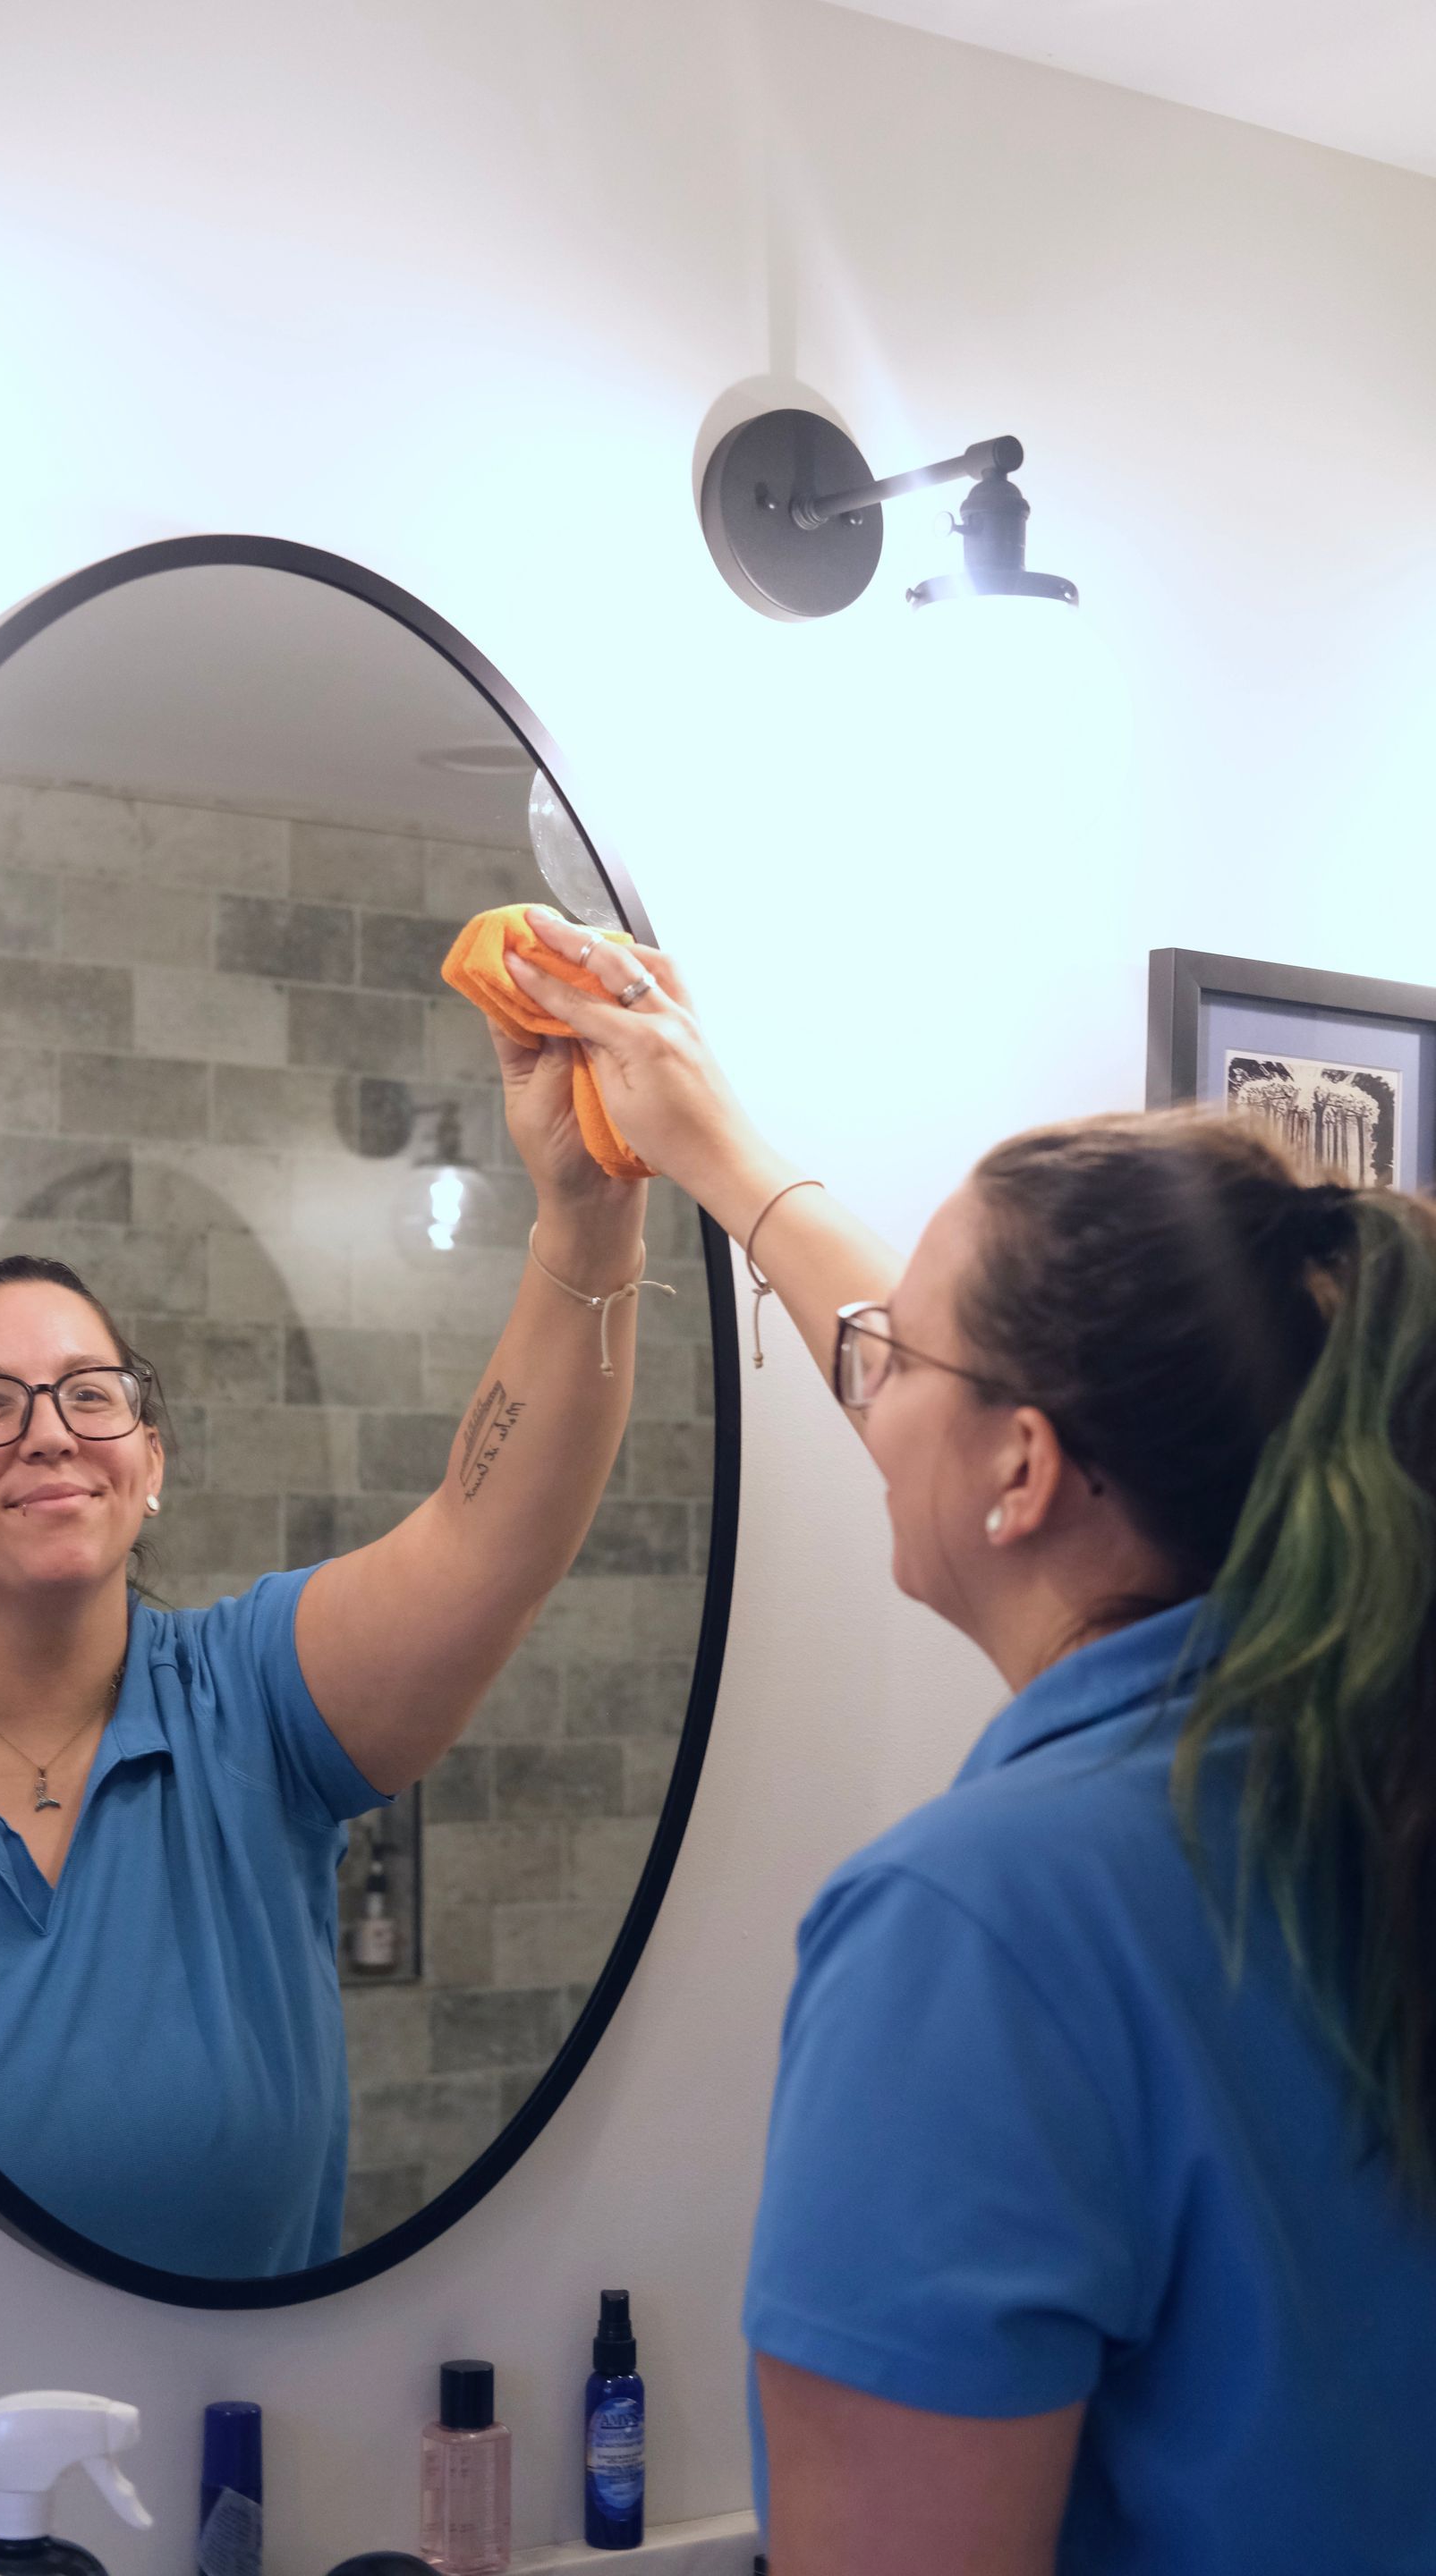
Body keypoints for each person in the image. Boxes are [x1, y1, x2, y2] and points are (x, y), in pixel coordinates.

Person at [509, 906, 1436, 2575]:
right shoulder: (1371, 1773)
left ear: (1022, 1470)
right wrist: (709, 1145)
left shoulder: (983, 1927)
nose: (867, 1382)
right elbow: (967, 1385)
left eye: (893, 1358)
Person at [0, 1012, 657, 2276]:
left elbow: (488, 1539)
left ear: (150, 1464)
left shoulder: (254, 1705)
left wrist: (588, 1207)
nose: (49, 1433)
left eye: (93, 1394)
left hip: (238, 2446)